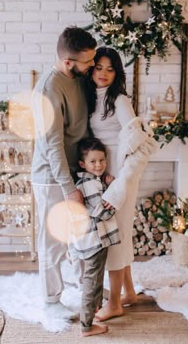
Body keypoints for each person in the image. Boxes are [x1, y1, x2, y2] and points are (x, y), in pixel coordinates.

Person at [85, 46, 157, 321]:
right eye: (99, 67)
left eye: (110, 68)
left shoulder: (119, 100)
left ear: (117, 73)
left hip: (121, 174)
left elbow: (141, 147)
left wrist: (120, 185)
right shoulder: (92, 97)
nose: (103, 73)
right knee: (120, 233)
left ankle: (114, 302)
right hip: (105, 171)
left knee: (114, 237)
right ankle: (128, 292)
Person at [31, 26, 96, 319]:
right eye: (88, 61)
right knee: (53, 241)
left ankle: (85, 287)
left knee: (78, 237)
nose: (92, 65)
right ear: (69, 62)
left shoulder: (77, 79)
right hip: (52, 178)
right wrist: (69, 187)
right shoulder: (48, 88)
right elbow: (52, 146)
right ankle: (51, 299)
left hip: (73, 172)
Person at [71, 136, 120, 336]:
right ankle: (86, 325)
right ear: (83, 164)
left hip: (95, 240)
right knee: (92, 281)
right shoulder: (90, 184)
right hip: (94, 240)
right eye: (93, 161)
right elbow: (102, 211)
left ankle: (93, 312)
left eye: (102, 160)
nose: (99, 165)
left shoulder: (92, 181)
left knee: (96, 277)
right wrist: (115, 196)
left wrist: (106, 185)